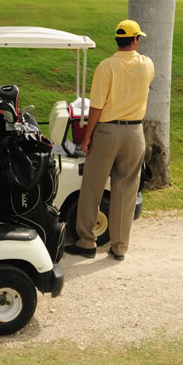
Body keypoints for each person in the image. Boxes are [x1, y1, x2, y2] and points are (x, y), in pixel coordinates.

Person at [64, 19, 155, 261]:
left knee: (92, 187)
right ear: (135, 40)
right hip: (135, 133)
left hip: (107, 131)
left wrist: (88, 135)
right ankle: (119, 247)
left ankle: (86, 242)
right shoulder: (147, 64)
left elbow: (96, 106)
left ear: (118, 39)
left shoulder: (106, 67)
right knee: (126, 190)